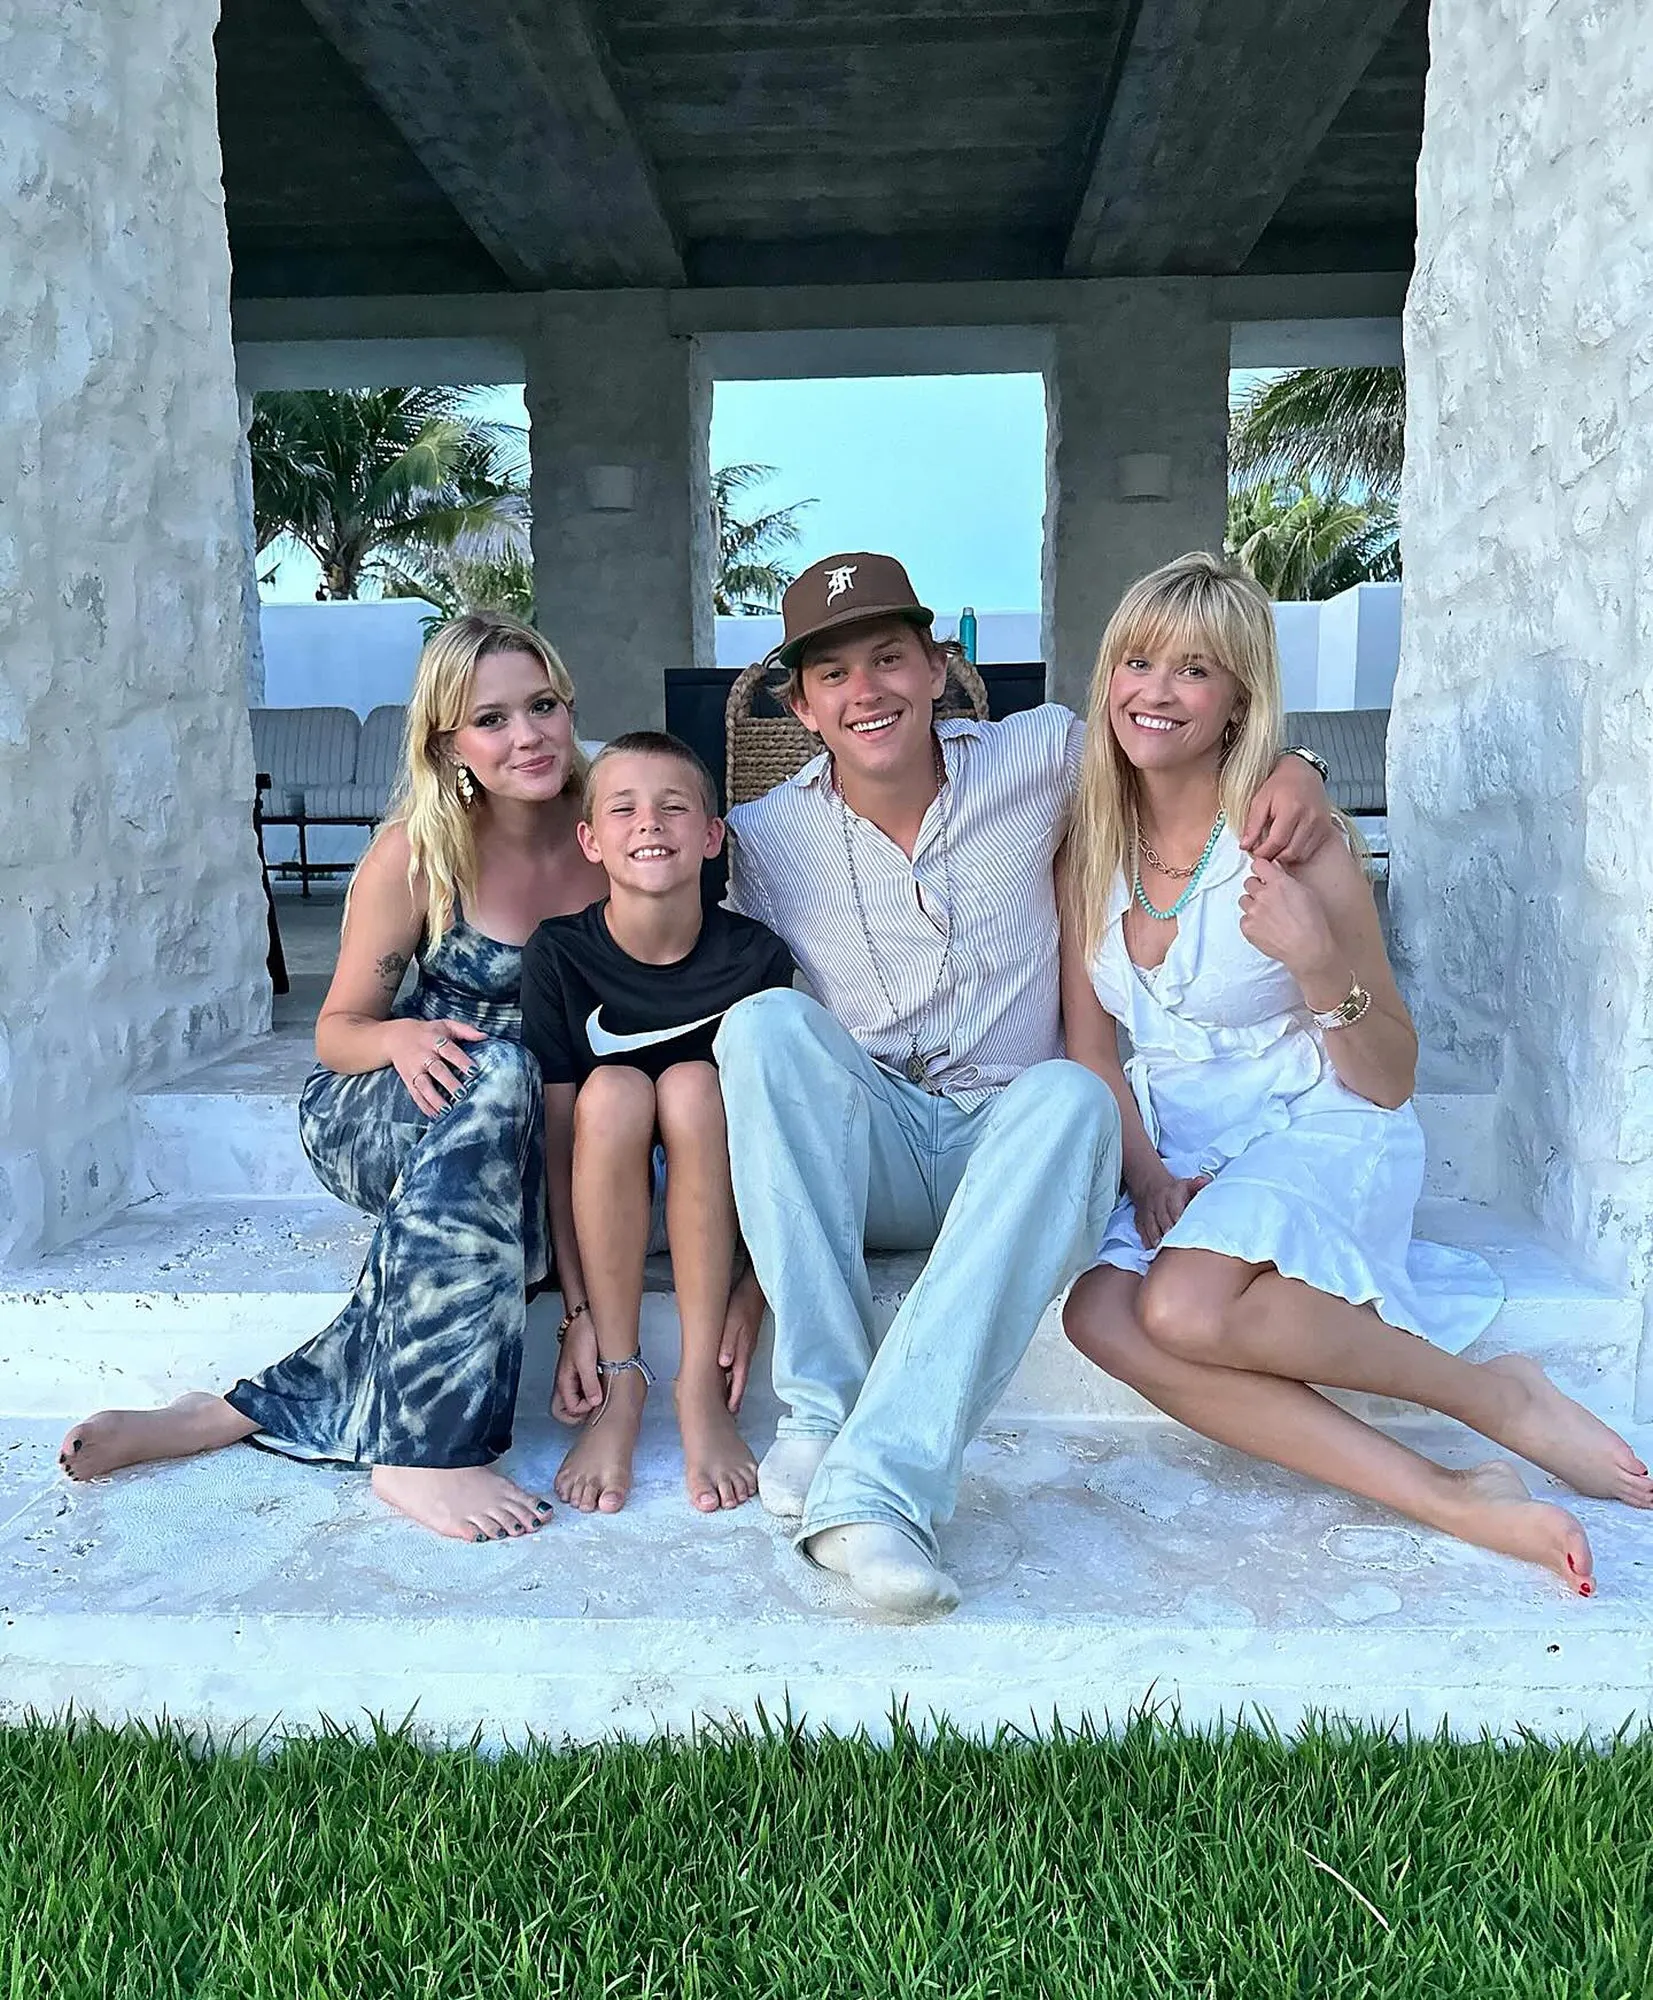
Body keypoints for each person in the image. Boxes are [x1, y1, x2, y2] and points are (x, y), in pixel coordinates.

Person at [715, 551, 1335, 1618]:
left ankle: (878, 1490)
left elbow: (1167, 733)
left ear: (936, 669)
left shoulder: (1039, 753)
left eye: (889, 659)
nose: (866, 692)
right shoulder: (765, 837)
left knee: (1074, 1094)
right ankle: (821, 1409)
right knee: (762, 1026)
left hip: (1017, 1145)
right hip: (879, 1144)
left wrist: (1299, 764)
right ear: (802, 707)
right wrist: (744, 1273)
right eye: (832, 675)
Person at [57, 616, 756, 1543]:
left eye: (542, 706)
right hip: (399, 1105)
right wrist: (398, 1037)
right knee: (498, 1072)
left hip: (546, 1132)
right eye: (491, 720)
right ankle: (425, 1449)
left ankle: (228, 1411)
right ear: (447, 743)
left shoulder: (620, 829)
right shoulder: (419, 853)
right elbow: (335, 1033)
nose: (527, 736)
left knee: (528, 1114)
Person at [1059, 550, 1651, 1594]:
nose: (1157, 691)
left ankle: (1493, 1399)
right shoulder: (1089, 841)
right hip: (1178, 1141)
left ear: (1239, 701)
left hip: (1315, 1118)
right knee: (1095, 1315)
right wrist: (1145, 1173)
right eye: (1138, 662)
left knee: (1183, 1310)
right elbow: (1092, 1048)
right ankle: (1449, 1490)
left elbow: (1389, 1075)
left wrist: (1317, 964)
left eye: (1195, 670)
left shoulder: (1292, 836)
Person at [520, 732, 795, 1521]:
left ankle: (698, 1387)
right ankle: (621, 1386)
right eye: (624, 809)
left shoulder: (755, 955)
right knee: (610, 1090)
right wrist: (575, 1309)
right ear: (590, 840)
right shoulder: (560, 954)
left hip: (719, 1213)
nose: (649, 823)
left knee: (692, 1083)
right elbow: (560, 1144)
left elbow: (782, 1141)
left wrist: (755, 1286)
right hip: (605, 1215)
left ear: (711, 837)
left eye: (673, 807)